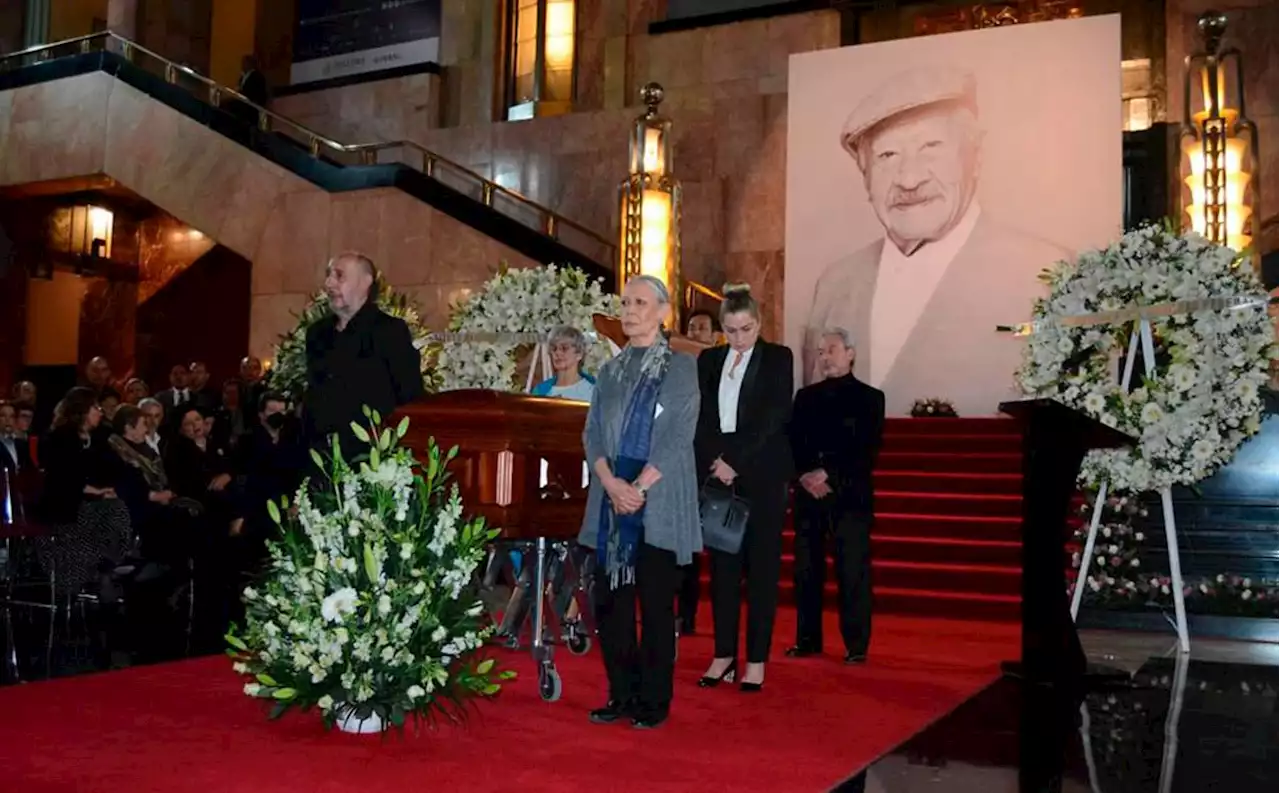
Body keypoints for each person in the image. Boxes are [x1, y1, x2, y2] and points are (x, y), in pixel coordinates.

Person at [800, 66, 1069, 414]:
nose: (909, 179)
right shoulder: (835, 283)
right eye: (887, 156)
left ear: (975, 157)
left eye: (930, 147)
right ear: (864, 176)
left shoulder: (1043, 274)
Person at [578, 274, 700, 729]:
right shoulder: (610, 371)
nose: (629, 310)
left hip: (660, 502)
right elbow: (592, 434)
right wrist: (611, 483)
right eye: (625, 302)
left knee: (654, 605)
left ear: (664, 312)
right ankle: (621, 695)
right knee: (610, 604)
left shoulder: (681, 367)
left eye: (640, 303)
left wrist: (639, 489)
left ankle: (653, 702)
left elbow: (676, 436)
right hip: (612, 503)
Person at [694, 284, 794, 692]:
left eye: (747, 330)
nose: (739, 339)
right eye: (732, 331)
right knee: (722, 572)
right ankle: (723, 654)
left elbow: (774, 416)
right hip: (720, 476)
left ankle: (755, 660)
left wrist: (736, 460)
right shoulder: (709, 359)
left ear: (759, 324)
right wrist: (717, 462)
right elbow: (701, 415)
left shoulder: (777, 358)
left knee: (762, 572)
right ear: (722, 328)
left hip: (763, 476)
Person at [788, 328, 885, 664]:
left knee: (852, 571)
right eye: (820, 351)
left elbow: (865, 449)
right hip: (808, 496)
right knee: (806, 570)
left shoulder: (871, 398)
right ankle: (807, 639)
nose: (825, 357)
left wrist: (826, 472)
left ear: (851, 353)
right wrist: (804, 475)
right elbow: (793, 443)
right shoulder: (805, 397)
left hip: (849, 496)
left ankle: (856, 646)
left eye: (831, 349)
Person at [304, 252, 424, 458]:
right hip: (322, 458)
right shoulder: (317, 333)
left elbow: (410, 395)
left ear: (365, 282)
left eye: (339, 276)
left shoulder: (389, 331)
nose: (329, 283)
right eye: (328, 276)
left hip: (371, 458)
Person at [36, 388, 132, 601]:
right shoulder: (59, 437)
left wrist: (107, 488)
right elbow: (63, 478)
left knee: (118, 508)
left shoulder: (98, 438)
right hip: (64, 504)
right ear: (82, 410)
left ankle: (107, 569)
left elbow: (112, 469)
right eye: (96, 408)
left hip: (91, 501)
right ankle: (103, 572)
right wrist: (95, 491)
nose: (100, 412)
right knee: (113, 512)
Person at [531, 325, 597, 402]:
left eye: (564, 348)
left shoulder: (595, 390)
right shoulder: (540, 392)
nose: (557, 353)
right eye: (554, 349)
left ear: (579, 354)